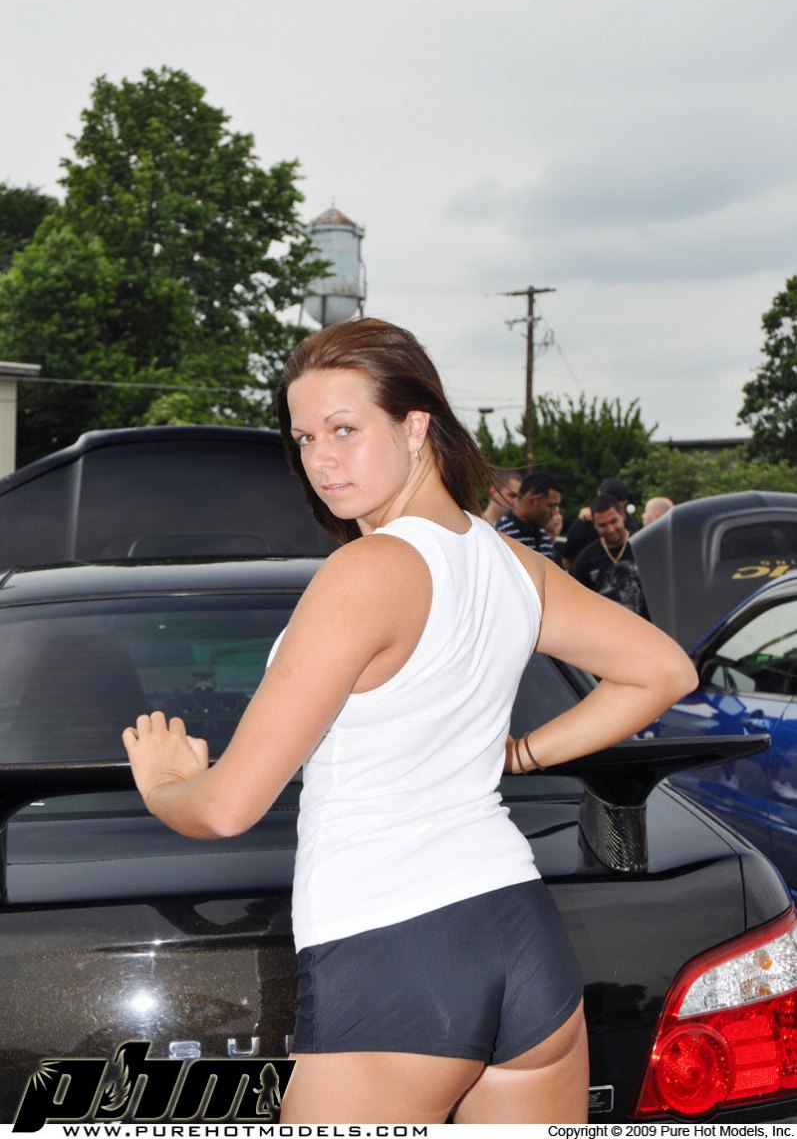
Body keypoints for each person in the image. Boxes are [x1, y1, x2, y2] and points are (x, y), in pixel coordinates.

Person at [121, 318, 695, 1125]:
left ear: (415, 426)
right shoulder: (507, 560)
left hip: (394, 947)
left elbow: (226, 808)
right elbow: (662, 671)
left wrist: (166, 784)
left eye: (344, 430)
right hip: (518, 935)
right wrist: (522, 755)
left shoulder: (366, 571)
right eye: (304, 438)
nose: (320, 460)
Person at [570, 493, 649, 617]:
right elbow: (577, 602)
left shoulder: (642, 546)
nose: (610, 529)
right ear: (594, 525)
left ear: (622, 515)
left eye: (614, 521)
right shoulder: (585, 559)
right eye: (603, 525)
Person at [494, 470, 563, 559]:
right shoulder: (500, 534)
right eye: (551, 506)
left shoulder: (544, 538)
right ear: (531, 501)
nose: (555, 512)